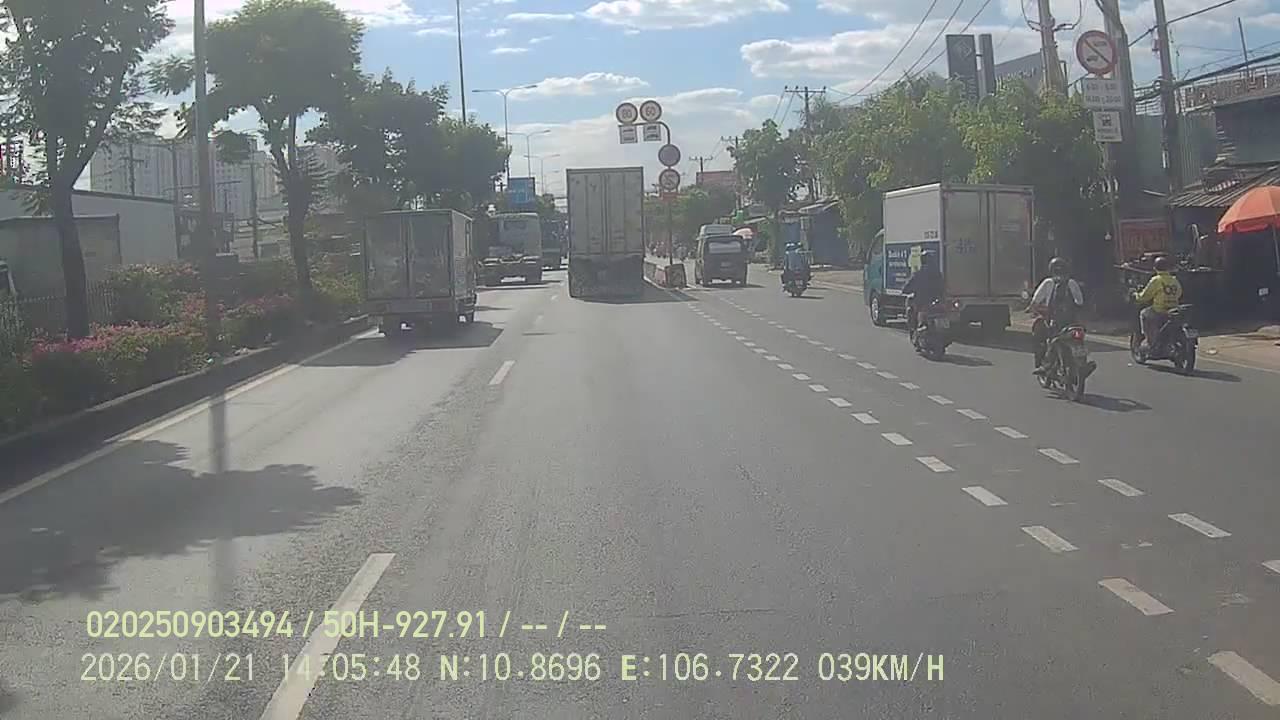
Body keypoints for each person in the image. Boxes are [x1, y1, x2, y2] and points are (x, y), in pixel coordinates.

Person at [1029, 257, 1084, 374]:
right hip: (1072, 321)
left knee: (1050, 340)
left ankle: (1046, 365)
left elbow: (1035, 301)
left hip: (1055, 320)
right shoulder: (1072, 283)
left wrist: (1031, 308)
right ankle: (1082, 363)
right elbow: (1080, 302)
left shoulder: (1048, 283)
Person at [1133, 255, 1183, 354]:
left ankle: (1149, 341)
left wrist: (1136, 296)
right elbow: (1179, 293)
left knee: (1144, 313)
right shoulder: (1174, 280)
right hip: (1173, 310)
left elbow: (1145, 296)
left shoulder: (1156, 280)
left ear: (1155, 268)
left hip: (1159, 310)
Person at [902, 250, 943, 331]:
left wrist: (905, 290)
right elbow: (941, 286)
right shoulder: (937, 274)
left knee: (910, 307)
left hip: (921, 301)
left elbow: (907, 287)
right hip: (935, 300)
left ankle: (913, 327)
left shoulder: (918, 274)